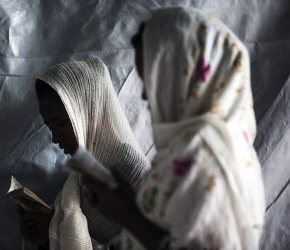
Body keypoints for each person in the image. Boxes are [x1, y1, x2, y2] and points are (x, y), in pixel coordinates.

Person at [82, 7, 265, 250]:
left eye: (154, 81)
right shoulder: (223, 150)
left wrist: (127, 214)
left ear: (187, 76)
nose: (146, 95)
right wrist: (131, 205)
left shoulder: (205, 155)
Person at [19, 59, 149, 250]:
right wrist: (45, 236)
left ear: (86, 113)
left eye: (61, 124)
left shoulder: (131, 170)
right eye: (50, 127)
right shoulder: (80, 175)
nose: (55, 138)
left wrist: (54, 232)